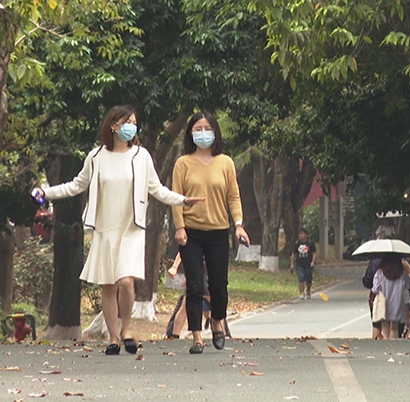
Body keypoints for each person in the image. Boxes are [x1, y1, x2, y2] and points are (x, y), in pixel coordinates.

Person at [34, 105, 204, 356]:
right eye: (127, 122)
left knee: (126, 281)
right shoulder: (96, 157)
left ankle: (127, 329)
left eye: (134, 122)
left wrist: (182, 200)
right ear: (113, 126)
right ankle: (113, 338)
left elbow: (157, 189)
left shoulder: (142, 156)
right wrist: (45, 192)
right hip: (105, 229)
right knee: (108, 285)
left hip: (131, 229)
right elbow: (76, 185)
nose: (132, 127)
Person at [172, 111, 249, 355]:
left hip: (218, 232)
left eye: (207, 128)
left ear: (215, 133)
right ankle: (196, 336)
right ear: (190, 133)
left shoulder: (225, 162)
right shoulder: (182, 163)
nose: (203, 133)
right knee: (194, 286)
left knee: (218, 286)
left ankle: (217, 321)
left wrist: (238, 224)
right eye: (198, 128)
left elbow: (233, 196)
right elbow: (176, 199)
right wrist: (180, 227)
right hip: (191, 233)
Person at [372, 254, 410, 339]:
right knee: (394, 328)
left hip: (384, 303)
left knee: (385, 329)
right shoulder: (403, 274)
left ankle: (386, 347)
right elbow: (406, 286)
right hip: (397, 301)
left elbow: (375, 289)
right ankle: (394, 346)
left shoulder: (379, 273)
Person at [291, 228, 317, 300]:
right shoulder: (297, 244)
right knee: (301, 278)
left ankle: (308, 290)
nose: (301, 236)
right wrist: (292, 264)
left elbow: (314, 253)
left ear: (306, 235)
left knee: (308, 279)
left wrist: (313, 261)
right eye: (299, 234)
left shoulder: (310, 244)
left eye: (302, 234)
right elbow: (294, 254)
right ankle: (301, 292)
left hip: (308, 264)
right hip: (300, 264)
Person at [362, 258, 383, 339]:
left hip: (376, 295)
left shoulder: (374, 263)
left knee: (376, 323)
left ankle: (376, 343)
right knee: (392, 325)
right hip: (395, 295)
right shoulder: (397, 260)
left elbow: (367, 281)